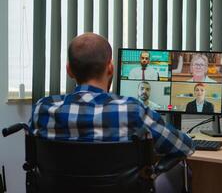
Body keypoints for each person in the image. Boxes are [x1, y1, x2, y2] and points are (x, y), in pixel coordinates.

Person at [28, 33, 194, 159]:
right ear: (110, 68)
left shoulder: (42, 110)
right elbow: (185, 147)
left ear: (69, 70)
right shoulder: (132, 110)